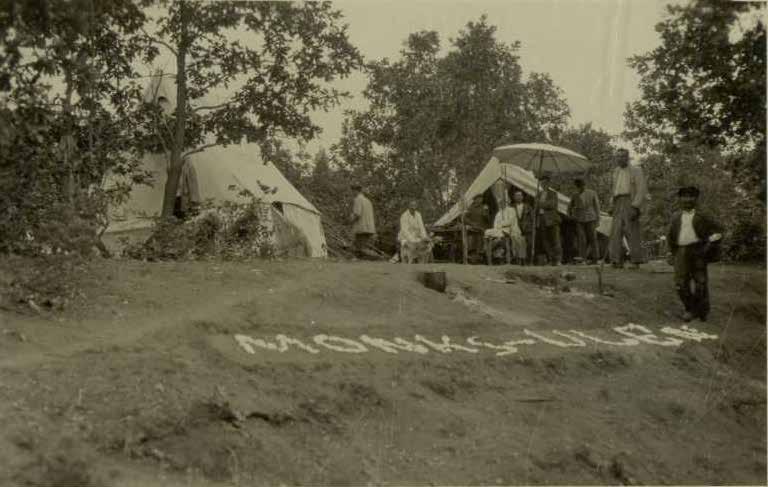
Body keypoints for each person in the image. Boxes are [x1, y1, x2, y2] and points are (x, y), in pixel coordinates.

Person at [667, 186, 723, 322]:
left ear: (696, 199)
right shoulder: (675, 217)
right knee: (680, 284)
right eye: (684, 197)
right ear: (680, 199)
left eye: (691, 196)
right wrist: (670, 252)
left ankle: (702, 311)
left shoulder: (703, 216)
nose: (687, 200)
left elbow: (719, 231)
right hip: (680, 251)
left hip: (698, 250)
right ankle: (691, 308)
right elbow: (670, 236)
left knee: (701, 283)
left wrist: (709, 243)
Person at [609, 148, 647, 269]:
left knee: (632, 231)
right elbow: (615, 188)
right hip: (617, 201)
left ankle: (636, 261)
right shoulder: (615, 171)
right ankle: (616, 260)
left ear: (627, 157)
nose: (620, 159)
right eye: (618, 157)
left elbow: (641, 189)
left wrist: (635, 206)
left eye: (623, 156)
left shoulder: (636, 170)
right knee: (615, 232)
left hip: (629, 200)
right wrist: (612, 204)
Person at [568, 178, 601, 264]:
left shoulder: (592, 193)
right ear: (576, 187)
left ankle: (595, 258)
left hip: (591, 218)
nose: (580, 188)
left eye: (582, 186)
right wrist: (571, 215)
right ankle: (583, 258)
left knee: (593, 238)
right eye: (578, 186)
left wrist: (598, 219)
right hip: (579, 219)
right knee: (582, 239)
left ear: (584, 185)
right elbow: (569, 207)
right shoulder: (574, 195)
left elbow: (597, 207)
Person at [535, 173, 562, 266]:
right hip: (542, 219)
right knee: (545, 241)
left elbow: (552, 205)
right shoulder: (538, 194)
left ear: (549, 183)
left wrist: (540, 203)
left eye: (545, 183)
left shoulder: (553, 194)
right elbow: (536, 207)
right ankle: (551, 259)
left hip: (552, 219)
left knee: (555, 240)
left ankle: (558, 259)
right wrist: (539, 203)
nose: (544, 185)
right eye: (542, 183)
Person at [349, 183, 376, 258]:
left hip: (361, 227)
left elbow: (357, 214)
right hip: (369, 227)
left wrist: (351, 219)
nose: (352, 193)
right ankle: (362, 260)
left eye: (352, 191)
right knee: (363, 246)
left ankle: (378, 258)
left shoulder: (358, 199)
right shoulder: (368, 201)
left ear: (356, 191)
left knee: (360, 247)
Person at [510, 190, 530, 264]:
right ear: (514, 198)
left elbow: (532, 217)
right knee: (516, 243)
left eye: (520, 196)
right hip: (515, 228)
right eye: (516, 196)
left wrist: (528, 225)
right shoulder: (511, 207)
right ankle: (517, 259)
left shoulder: (528, 206)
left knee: (526, 243)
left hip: (526, 228)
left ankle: (525, 260)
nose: (518, 197)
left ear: (522, 197)